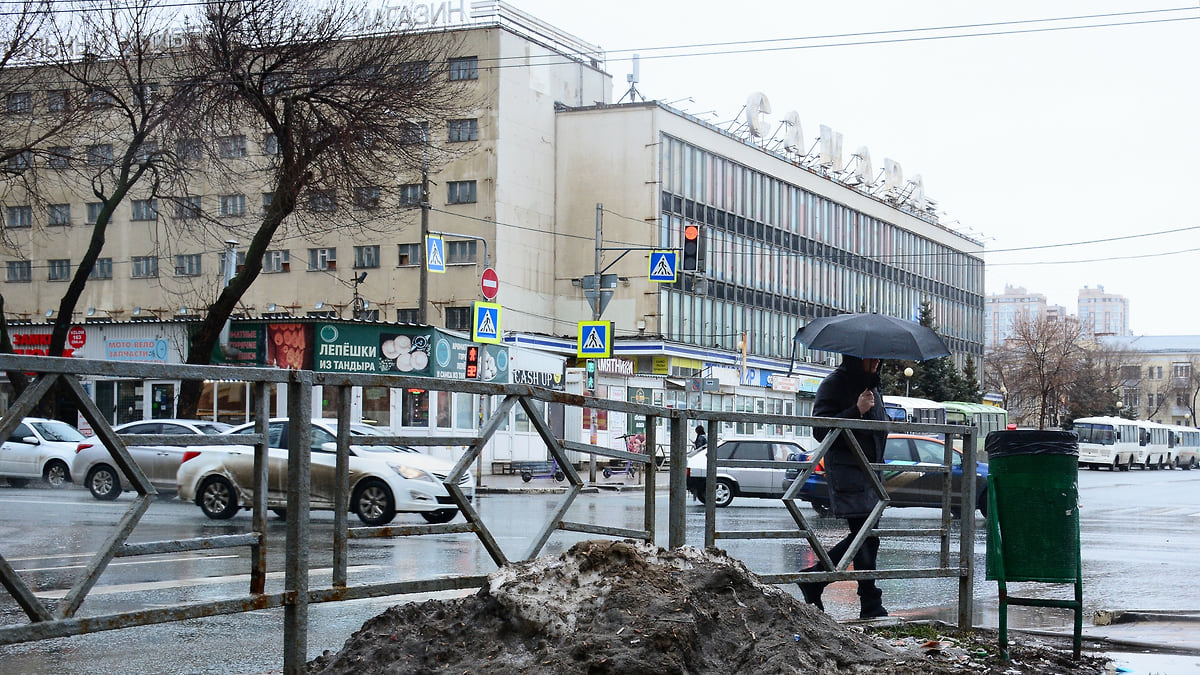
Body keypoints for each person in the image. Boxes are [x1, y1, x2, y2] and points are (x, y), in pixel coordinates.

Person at [798, 354, 889, 619]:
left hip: (872, 475)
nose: (875, 363)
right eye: (870, 359)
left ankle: (816, 579)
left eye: (878, 360)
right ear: (853, 357)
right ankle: (870, 602)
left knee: (866, 538)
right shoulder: (834, 384)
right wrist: (855, 410)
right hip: (849, 474)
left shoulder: (873, 386)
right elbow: (819, 429)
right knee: (865, 537)